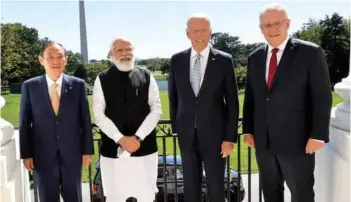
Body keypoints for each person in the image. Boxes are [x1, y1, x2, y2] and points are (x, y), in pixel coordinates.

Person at [243, 4, 332, 202]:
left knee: (301, 194)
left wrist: (318, 135)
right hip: (264, 144)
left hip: (298, 142)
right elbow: (251, 97)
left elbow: (322, 96)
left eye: (277, 23)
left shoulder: (310, 53)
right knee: (271, 194)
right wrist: (248, 129)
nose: (272, 29)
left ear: (288, 24)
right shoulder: (254, 58)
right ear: (261, 28)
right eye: (267, 25)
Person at [168, 13, 239, 202]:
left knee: (216, 186)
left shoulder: (224, 60)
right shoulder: (177, 60)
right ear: (187, 33)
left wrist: (229, 138)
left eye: (204, 30)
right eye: (195, 30)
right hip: (187, 136)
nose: (199, 34)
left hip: (216, 138)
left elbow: (232, 102)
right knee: (191, 187)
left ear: (210, 33)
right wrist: (177, 129)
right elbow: (173, 97)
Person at [19, 42, 94, 202]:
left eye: (59, 56)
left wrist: (87, 150)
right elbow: (24, 122)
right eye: (50, 57)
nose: (55, 61)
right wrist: (26, 154)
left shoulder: (78, 85)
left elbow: (85, 120)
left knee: (74, 197)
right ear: (41, 60)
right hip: (42, 157)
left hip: (72, 155)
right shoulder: (30, 86)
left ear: (66, 60)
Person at [92, 37, 162, 202]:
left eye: (128, 49)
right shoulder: (102, 78)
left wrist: (137, 138)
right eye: (119, 50)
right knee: (115, 196)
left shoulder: (146, 75)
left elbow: (156, 109)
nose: (125, 53)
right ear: (111, 54)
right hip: (112, 151)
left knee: (146, 195)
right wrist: (121, 139)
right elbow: (99, 115)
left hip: (145, 148)